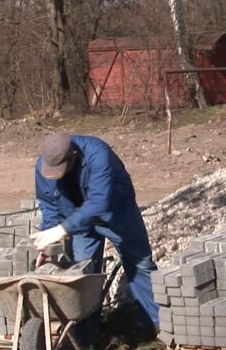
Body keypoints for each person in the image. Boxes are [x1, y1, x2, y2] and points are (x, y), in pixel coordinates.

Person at [30, 133, 159, 331]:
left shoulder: (98, 153)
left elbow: (100, 202)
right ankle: (87, 337)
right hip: (77, 220)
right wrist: (49, 244)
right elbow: (50, 205)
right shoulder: (44, 166)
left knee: (139, 263)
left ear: (73, 155)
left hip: (117, 213)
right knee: (83, 276)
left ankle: (154, 323)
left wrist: (62, 229)